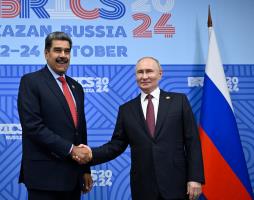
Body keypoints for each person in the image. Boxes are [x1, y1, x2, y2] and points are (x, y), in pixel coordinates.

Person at [74, 57, 205, 200]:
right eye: (140, 72)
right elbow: (116, 145)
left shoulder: (179, 101)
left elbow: (192, 141)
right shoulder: (126, 109)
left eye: (149, 71)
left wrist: (195, 178)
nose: (144, 76)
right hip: (143, 188)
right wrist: (91, 154)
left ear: (160, 74)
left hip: (177, 185)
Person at [17, 31, 92, 200]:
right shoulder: (31, 82)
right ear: (46, 53)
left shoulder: (76, 87)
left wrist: (85, 170)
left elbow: (80, 131)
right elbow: (33, 127)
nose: (63, 56)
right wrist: (71, 149)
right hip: (44, 178)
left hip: (73, 177)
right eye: (58, 50)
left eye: (67, 51)